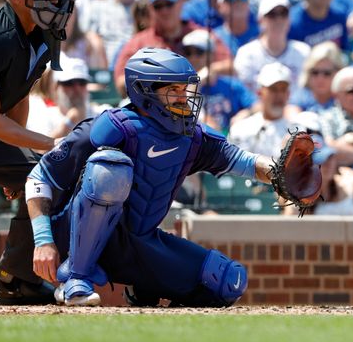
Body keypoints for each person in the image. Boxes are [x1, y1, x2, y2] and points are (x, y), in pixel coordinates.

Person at [25, 47, 295, 306]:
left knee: (226, 281)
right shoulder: (110, 127)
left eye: (185, 89)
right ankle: (76, 277)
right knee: (109, 169)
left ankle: (143, 287)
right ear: (145, 92)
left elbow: (242, 161)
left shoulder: (192, 137)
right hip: (75, 237)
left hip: (139, 242)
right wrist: (43, 242)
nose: (183, 97)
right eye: (173, 90)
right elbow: (39, 177)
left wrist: (283, 175)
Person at [0, 0, 75, 304]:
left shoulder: (41, 31)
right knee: (49, 163)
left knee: (46, 177)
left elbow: (18, 96)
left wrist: (20, 160)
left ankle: (16, 279)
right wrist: (48, 143)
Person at [234, 0, 311, 93]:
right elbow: (244, 93)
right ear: (260, 20)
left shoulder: (304, 52)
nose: (278, 20)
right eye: (272, 15)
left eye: (283, 14)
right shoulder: (247, 54)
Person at [227, 63, 293, 158]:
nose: (279, 95)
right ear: (259, 92)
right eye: (273, 89)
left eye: (283, 90)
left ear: (288, 94)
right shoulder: (241, 128)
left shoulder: (298, 132)